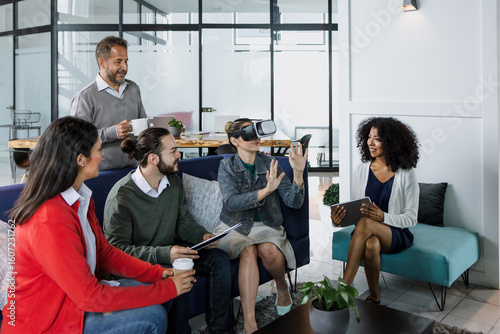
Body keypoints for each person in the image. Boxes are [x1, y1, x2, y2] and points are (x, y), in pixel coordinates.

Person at [2, 117, 194, 334]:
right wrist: (166, 288)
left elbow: (105, 254)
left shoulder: (80, 199)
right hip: (51, 322)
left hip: (74, 304)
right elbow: (90, 296)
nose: (103, 155)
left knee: (161, 294)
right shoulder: (49, 219)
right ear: (80, 159)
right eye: (99, 149)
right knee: (152, 317)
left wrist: (157, 274)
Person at [103, 127, 233, 334]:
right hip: (142, 265)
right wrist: (166, 253)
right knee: (176, 277)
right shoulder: (121, 196)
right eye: (173, 151)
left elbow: (183, 221)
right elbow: (116, 251)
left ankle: (221, 329)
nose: (178, 155)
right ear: (153, 159)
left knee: (218, 259)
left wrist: (202, 235)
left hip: (169, 255)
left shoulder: (173, 181)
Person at [215, 118, 308, 333]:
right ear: (234, 141)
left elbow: (294, 202)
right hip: (236, 226)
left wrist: (298, 174)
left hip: (267, 225)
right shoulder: (226, 167)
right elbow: (231, 202)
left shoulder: (269, 163)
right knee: (247, 251)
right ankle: (250, 321)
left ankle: (282, 286)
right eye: (249, 133)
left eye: (257, 132)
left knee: (268, 249)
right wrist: (265, 191)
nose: (256, 138)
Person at [331, 117, 420, 304]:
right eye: (369, 137)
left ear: (391, 143)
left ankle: (342, 291)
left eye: (377, 139)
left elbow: (412, 218)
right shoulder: (361, 170)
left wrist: (383, 217)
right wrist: (338, 219)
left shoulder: (407, 174)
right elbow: (357, 210)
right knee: (371, 245)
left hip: (394, 233)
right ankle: (374, 297)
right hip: (366, 231)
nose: (370, 142)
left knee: (365, 223)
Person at [70, 35, 146, 171]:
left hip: (134, 172)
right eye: (118, 62)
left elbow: (143, 124)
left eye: (126, 61)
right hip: (100, 175)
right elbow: (77, 140)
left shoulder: (133, 88)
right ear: (102, 63)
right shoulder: (85, 97)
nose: (124, 67)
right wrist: (113, 132)